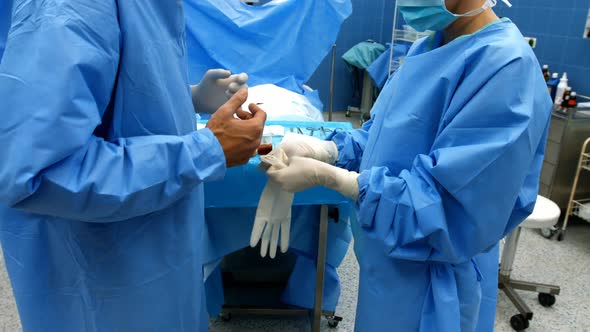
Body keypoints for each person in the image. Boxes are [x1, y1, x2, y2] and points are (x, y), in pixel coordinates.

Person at [267, 0, 552, 331]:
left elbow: (450, 209)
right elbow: (383, 139)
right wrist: (328, 149)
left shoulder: (507, 67)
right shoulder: (427, 47)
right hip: (389, 271)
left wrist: (338, 181)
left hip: (435, 287)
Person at [0, 1, 266, 331]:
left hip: (159, 255)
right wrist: (204, 151)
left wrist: (189, 97)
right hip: (104, 279)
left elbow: (110, 98)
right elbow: (42, 172)